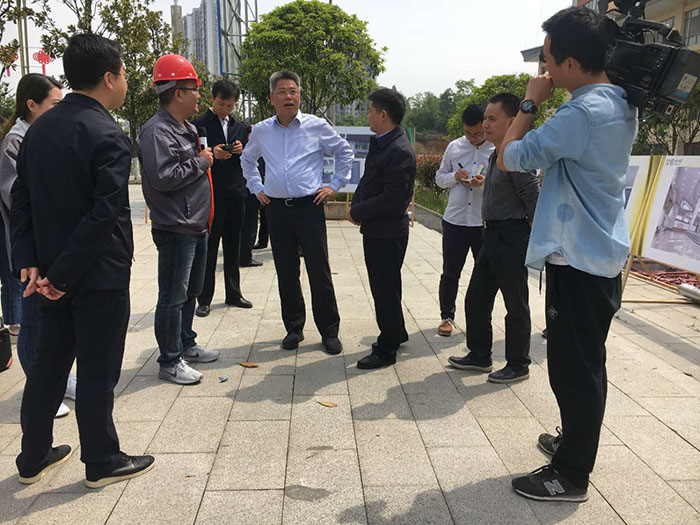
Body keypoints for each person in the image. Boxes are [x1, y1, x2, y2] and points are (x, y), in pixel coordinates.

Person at [500, 6, 637, 502]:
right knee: (586, 362)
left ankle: (571, 474)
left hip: (578, 258)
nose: (545, 70)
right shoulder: (621, 100)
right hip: (598, 253)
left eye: (549, 60)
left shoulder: (581, 113)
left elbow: (510, 156)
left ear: (572, 63)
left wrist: (529, 103)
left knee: (573, 370)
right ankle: (574, 443)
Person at [11, 33, 154, 488]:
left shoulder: (38, 129)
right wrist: (62, 275)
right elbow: (103, 215)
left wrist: (31, 261)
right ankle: (102, 460)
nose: (126, 81)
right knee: (97, 368)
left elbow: (20, 200)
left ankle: (33, 457)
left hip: (49, 274)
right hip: (96, 275)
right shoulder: (108, 134)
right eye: (125, 73)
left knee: (48, 368)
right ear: (109, 77)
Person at [241, 70, 353, 354]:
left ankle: (329, 331)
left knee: (319, 270)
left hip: (309, 207)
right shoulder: (262, 130)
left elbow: (344, 152)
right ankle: (294, 328)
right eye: (282, 92)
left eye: (293, 91)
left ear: (299, 95)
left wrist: (334, 186)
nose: (288, 97)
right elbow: (247, 159)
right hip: (276, 209)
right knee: (286, 271)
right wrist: (256, 187)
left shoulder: (316, 126)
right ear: (272, 98)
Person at [138, 54, 219, 385]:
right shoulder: (156, 132)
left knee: (190, 292)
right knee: (172, 296)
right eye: (194, 88)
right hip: (176, 227)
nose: (199, 95)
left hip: (196, 224)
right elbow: (163, 177)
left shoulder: (187, 128)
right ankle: (170, 360)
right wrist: (201, 162)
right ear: (177, 93)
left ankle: (185, 343)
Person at [0, 73, 77, 418]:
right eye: (54, 104)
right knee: (32, 321)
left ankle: (58, 380)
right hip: (29, 249)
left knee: (56, 319)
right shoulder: (15, 142)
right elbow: (17, 197)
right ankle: (40, 390)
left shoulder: (43, 136)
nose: (59, 111)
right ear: (31, 105)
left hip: (53, 244)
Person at [448, 93, 539, 384]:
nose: (485, 124)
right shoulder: (496, 153)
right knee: (476, 298)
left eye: (491, 119)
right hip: (491, 234)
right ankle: (479, 354)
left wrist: (535, 237)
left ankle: (518, 364)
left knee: (515, 303)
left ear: (511, 122)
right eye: (485, 118)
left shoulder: (516, 156)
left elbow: (532, 196)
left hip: (511, 235)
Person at [351, 88, 416, 369]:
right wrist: (358, 204)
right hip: (378, 229)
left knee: (384, 289)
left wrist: (358, 211)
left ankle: (387, 348)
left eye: (370, 110)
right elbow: (369, 181)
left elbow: (393, 199)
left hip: (387, 232)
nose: (367, 115)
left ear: (383, 115)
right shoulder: (383, 144)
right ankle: (397, 331)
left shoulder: (398, 150)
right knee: (387, 285)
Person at [193, 79, 253, 318]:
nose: (225, 109)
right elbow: (193, 156)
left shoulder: (241, 128)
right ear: (212, 98)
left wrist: (240, 149)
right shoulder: (199, 125)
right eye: (221, 104)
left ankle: (234, 293)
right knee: (209, 248)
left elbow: (250, 157)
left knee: (233, 245)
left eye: (230, 105)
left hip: (236, 192)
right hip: (211, 193)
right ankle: (204, 298)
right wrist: (212, 154)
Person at [435, 104, 494, 337]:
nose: (473, 137)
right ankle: (446, 316)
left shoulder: (495, 148)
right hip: (455, 220)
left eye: (477, 133)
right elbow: (440, 178)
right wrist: (455, 177)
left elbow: (503, 184)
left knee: (484, 275)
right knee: (450, 272)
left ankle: (480, 319)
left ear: (485, 126)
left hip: (482, 221)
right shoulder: (455, 147)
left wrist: (484, 182)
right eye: (468, 133)